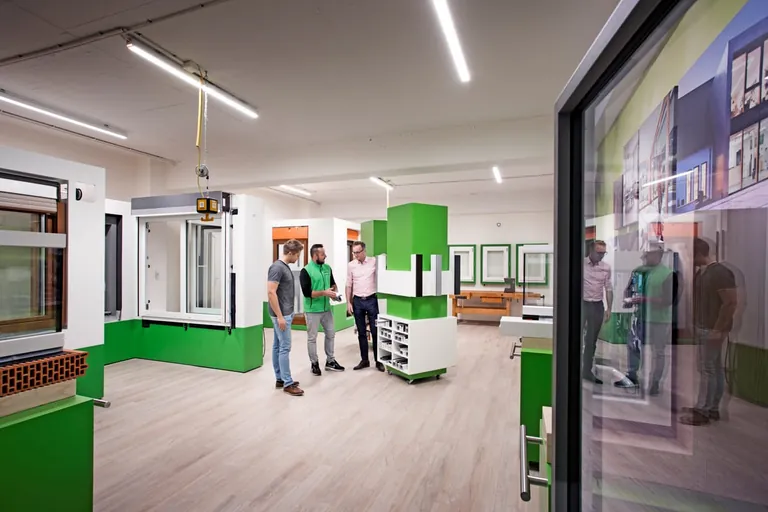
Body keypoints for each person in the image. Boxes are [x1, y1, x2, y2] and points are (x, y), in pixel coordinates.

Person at [680, 238, 737, 426]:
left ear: (699, 253)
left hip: (712, 328)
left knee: (707, 369)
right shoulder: (702, 273)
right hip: (703, 327)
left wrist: (717, 329)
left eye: (691, 254)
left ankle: (702, 410)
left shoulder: (720, 273)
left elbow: (730, 303)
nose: (689, 258)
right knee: (714, 367)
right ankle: (711, 407)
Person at [618, 241, 679, 395]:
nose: (645, 257)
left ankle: (655, 383)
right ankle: (631, 376)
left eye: (648, 255)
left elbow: (668, 300)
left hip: (659, 320)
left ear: (659, 255)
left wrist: (644, 299)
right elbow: (629, 289)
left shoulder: (668, 274)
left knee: (658, 352)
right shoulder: (638, 271)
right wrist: (628, 298)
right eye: (645, 254)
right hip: (639, 317)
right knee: (633, 346)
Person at [300, 244, 345, 376]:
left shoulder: (327, 268)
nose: (325, 256)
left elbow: (333, 284)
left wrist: (335, 293)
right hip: (312, 310)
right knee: (312, 338)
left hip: (327, 309)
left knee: (331, 334)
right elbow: (307, 293)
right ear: (315, 256)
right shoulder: (306, 271)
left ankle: (330, 361)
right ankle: (314, 363)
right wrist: (324, 293)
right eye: (322, 254)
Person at [267, 239, 304, 397]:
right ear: (290, 253)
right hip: (281, 315)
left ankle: (280, 379)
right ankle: (287, 383)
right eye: (297, 255)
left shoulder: (284, 266)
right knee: (285, 347)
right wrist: (280, 317)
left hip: (285, 313)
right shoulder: (277, 268)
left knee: (278, 346)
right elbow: (271, 292)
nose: (298, 258)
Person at [346, 241, 384, 372]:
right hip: (357, 301)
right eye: (354, 253)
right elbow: (348, 284)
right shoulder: (351, 265)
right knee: (361, 332)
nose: (356, 255)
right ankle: (364, 360)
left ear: (364, 251)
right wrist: (348, 302)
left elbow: (385, 259)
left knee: (375, 331)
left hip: (371, 299)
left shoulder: (374, 261)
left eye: (358, 252)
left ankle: (378, 361)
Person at [583, 240, 613, 384]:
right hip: (582, 304)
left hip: (597, 306)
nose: (601, 256)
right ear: (591, 250)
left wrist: (609, 308)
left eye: (603, 253)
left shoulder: (606, 268)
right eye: (598, 252)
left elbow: (608, 288)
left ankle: (586, 371)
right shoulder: (581, 264)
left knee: (591, 340)